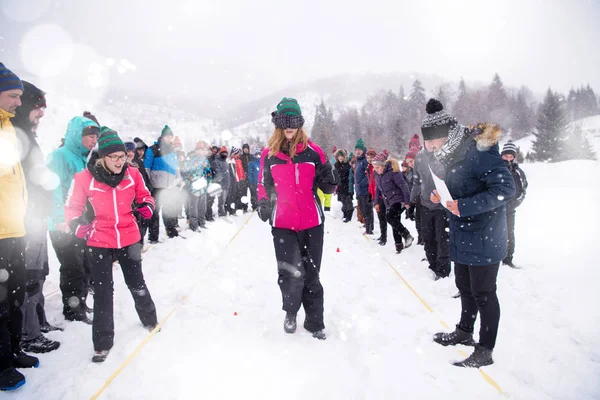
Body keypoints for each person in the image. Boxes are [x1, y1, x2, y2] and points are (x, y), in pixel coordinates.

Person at [422, 99, 515, 368]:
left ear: (445, 135)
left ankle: (485, 349)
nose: (429, 146)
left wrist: (464, 206)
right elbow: (464, 185)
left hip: (485, 236)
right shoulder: (452, 154)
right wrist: (443, 195)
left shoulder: (479, 152)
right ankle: (464, 331)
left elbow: (505, 189)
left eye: (432, 141)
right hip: (463, 234)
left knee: (484, 293)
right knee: (464, 287)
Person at [65, 129, 158, 363]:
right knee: (103, 291)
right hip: (99, 240)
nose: (120, 161)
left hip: (128, 237)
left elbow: (145, 196)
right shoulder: (84, 178)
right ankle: (102, 342)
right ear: (102, 157)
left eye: (123, 156)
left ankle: (150, 320)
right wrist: (77, 225)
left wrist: (147, 206)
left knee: (136, 282)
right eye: (114, 157)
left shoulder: (132, 174)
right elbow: (72, 207)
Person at [257, 98, 338, 340]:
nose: (289, 126)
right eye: (285, 121)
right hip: (282, 224)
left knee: (312, 273)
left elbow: (328, 186)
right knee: (290, 273)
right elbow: (264, 184)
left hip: (312, 223)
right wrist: (263, 201)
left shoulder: (314, 152)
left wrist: (329, 178)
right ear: (279, 125)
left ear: (300, 124)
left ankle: (315, 322)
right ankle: (291, 312)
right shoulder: (269, 155)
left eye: (293, 121)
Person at [12, 81, 62, 354]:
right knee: (29, 277)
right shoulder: (15, 139)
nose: (41, 114)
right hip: (25, 221)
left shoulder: (28, 138)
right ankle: (27, 334)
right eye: (37, 108)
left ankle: (38, 321)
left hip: (37, 219)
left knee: (40, 273)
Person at [0, 63, 39, 391]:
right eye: (13, 95)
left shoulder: (9, 128)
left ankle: (12, 352)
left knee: (14, 296)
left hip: (15, 227)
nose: (17, 102)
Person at [47, 115, 100, 324]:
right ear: (78, 136)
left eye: (96, 137)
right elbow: (53, 189)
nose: (94, 141)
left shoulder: (82, 159)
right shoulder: (59, 156)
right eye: (90, 136)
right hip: (63, 225)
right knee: (72, 267)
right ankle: (73, 311)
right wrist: (61, 218)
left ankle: (81, 303)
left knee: (85, 264)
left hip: (80, 222)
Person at [410, 144, 450, 280]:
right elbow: (416, 181)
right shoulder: (420, 157)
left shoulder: (445, 155)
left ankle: (443, 271)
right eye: (428, 140)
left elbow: (451, 179)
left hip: (441, 207)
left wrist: (442, 194)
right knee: (427, 237)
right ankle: (432, 265)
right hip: (425, 204)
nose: (432, 144)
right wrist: (412, 201)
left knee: (442, 239)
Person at [372, 153, 414, 253]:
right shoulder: (378, 175)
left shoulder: (393, 172)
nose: (376, 170)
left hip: (399, 200)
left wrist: (407, 201)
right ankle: (398, 246)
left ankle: (407, 235)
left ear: (383, 165)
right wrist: (376, 202)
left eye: (378, 167)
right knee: (395, 222)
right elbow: (378, 189)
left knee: (390, 217)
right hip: (389, 201)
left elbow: (404, 186)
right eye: (375, 168)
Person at [144, 125, 179, 241]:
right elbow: (146, 168)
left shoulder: (173, 151)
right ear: (162, 136)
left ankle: (171, 232)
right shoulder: (153, 149)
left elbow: (176, 168)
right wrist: (149, 185)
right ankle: (153, 237)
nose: (169, 139)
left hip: (169, 187)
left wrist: (177, 181)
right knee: (155, 212)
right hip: (156, 186)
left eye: (171, 137)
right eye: (168, 136)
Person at [500, 140, 528, 269]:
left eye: (511, 156)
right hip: (495, 209)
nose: (508, 159)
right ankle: (493, 259)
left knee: (509, 234)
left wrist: (517, 202)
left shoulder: (518, 172)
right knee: (494, 235)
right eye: (506, 156)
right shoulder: (496, 169)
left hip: (510, 209)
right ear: (501, 155)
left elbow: (523, 188)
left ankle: (508, 259)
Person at [125, 139, 153, 245]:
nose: (130, 153)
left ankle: (139, 246)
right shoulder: (121, 167)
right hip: (130, 204)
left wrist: (149, 189)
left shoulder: (137, 164)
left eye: (133, 151)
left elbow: (144, 179)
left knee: (142, 224)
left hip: (140, 200)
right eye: (128, 151)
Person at [181, 141, 211, 231]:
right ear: (195, 150)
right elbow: (185, 173)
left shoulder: (205, 160)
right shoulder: (190, 160)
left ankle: (201, 222)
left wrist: (207, 180)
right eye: (198, 149)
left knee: (202, 207)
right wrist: (189, 182)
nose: (199, 151)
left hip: (203, 187)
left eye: (201, 150)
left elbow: (209, 173)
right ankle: (194, 225)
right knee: (193, 207)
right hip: (194, 187)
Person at [354, 139, 374, 235]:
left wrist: (362, 183)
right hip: (359, 190)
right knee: (363, 210)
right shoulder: (358, 161)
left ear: (363, 150)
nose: (358, 151)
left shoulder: (365, 160)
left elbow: (369, 174)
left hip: (366, 190)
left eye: (359, 149)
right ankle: (368, 226)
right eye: (356, 149)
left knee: (367, 210)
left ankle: (370, 229)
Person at [334, 149, 354, 222]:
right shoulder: (336, 165)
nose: (340, 157)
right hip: (340, 186)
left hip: (347, 185)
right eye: (339, 156)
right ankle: (345, 214)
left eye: (341, 156)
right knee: (343, 201)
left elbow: (350, 176)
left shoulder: (347, 165)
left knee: (348, 201)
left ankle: (349, 216)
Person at [212, 146, 231, 217]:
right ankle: (221, 212)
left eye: (226, 153)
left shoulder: (225, 162)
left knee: (225, 199)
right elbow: (218, 172)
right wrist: (221, 180)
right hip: (221, 184)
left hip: (226, 183)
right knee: (221, 200)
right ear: (220, 153)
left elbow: (227, 172)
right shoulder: (217, 161)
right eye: (223, 153)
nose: (224, 154)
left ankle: (223, 211)